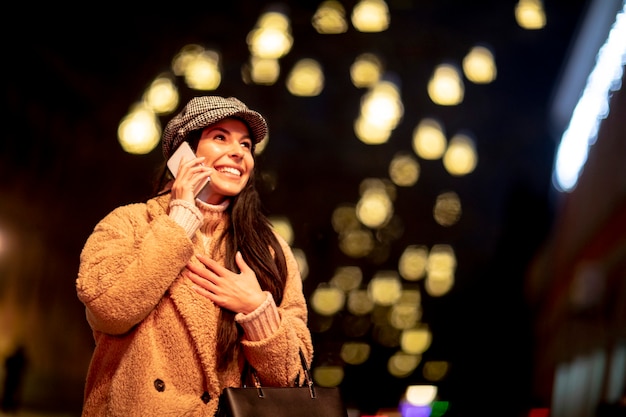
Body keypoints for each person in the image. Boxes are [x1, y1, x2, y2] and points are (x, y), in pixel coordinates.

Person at [76, 96, 313, 416]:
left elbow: (291, 375)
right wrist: (180, 220)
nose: (238, 152)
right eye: (220, 138)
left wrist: (256, 310)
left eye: (246, 145)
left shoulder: (268, 248)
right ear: (182, 154)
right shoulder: (128, 223)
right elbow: (110, 309)